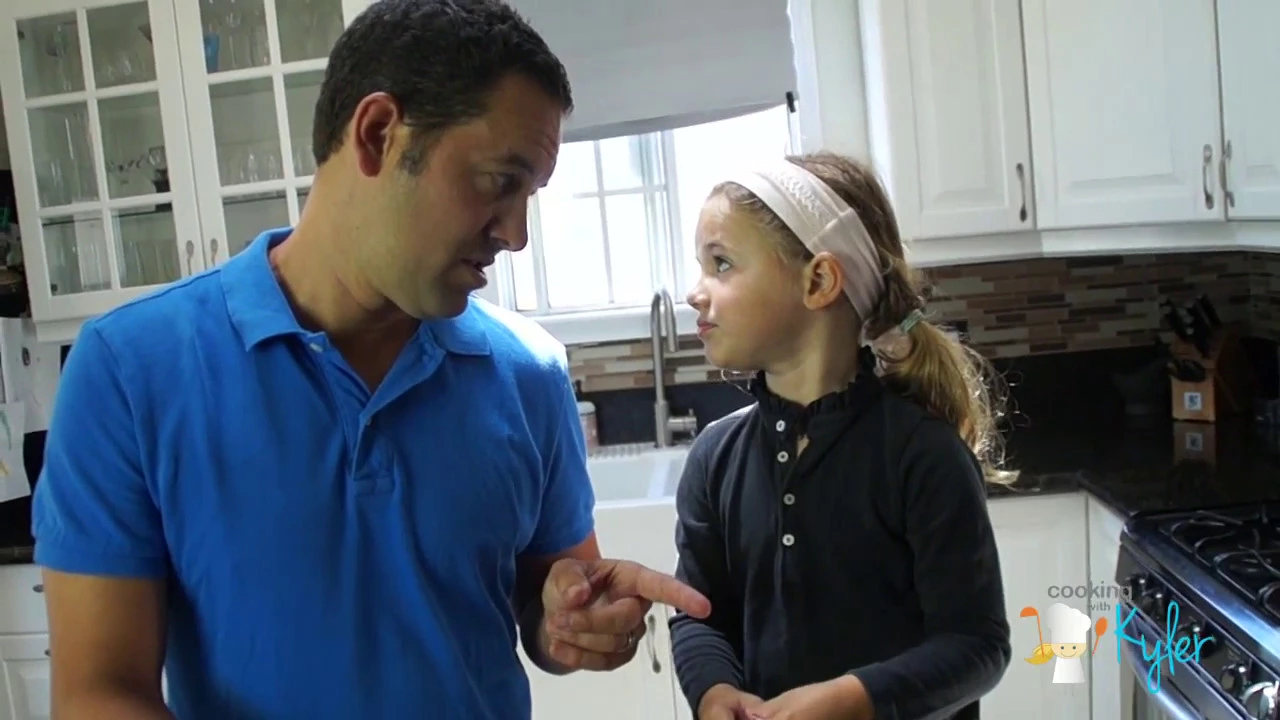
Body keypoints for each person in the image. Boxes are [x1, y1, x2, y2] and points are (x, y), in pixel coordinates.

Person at [30, 1, 710, 718]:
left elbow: (546, 599)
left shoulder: (528, 372)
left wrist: (570, 622)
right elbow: (99, 691)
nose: (515, 235)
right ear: (379, 133)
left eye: (531, 196)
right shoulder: (129, 371)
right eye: (498, 181)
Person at [668, 152, 1015, 720]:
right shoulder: (715, 458)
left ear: (820, 280)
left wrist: (855, 699)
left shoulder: (920, 457)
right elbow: (700, 614)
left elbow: (977, 646)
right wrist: (713, 692)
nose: (696, 292)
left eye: (722, 264)